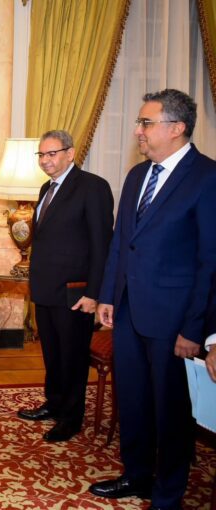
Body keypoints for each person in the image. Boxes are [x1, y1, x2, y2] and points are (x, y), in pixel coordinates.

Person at [90, 89, 216, 509]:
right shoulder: (136, 175)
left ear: (176, 128)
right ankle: (137, 475)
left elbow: (211, 261)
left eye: (146, 123)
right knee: (134, 399)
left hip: (174, 320)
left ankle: (168, 493)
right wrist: (108, 295)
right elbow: (121, 242)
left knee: (171, 410)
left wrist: (194, 329)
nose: (138, 131)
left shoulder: (207, 177)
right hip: (128, 312)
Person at [17, 130, 113, 442]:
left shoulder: (93, 187)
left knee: (72, 357)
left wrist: (94, 293)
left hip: (76, 291)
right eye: (41, 155)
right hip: (46, 289)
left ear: (70, 154)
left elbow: (102, 245)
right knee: (53, 354)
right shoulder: (46, 188)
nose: (45, 160)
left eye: (52, 154)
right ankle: (54, 403)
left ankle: (71, 419)